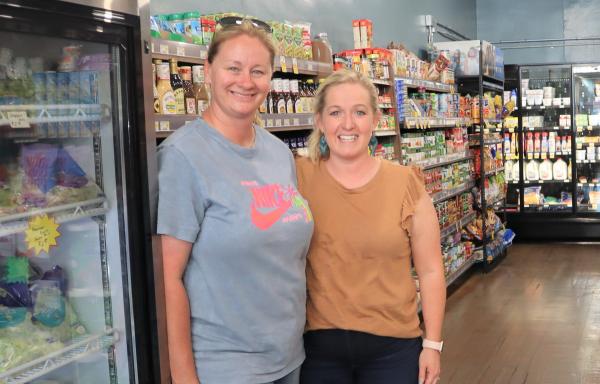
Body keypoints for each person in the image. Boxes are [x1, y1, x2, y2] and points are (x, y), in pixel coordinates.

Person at [156, 18, 314, 384]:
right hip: (224, 366)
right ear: (208, 71)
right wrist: (183, 377)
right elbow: (168, 279)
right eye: (233, 68)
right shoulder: (183, 156)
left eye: (258, 71)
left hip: (289, 357)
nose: (246, 81)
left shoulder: (277, 153)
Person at [296, 69, 446, 384]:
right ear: (320, 121)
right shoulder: (297, 179)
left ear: (375, 120)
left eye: (359, 112)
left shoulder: (406, 183)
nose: (348, 124)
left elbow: (431, 270)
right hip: (318, 350)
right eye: (335, 113)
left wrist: (432, 344)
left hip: (394, 349)